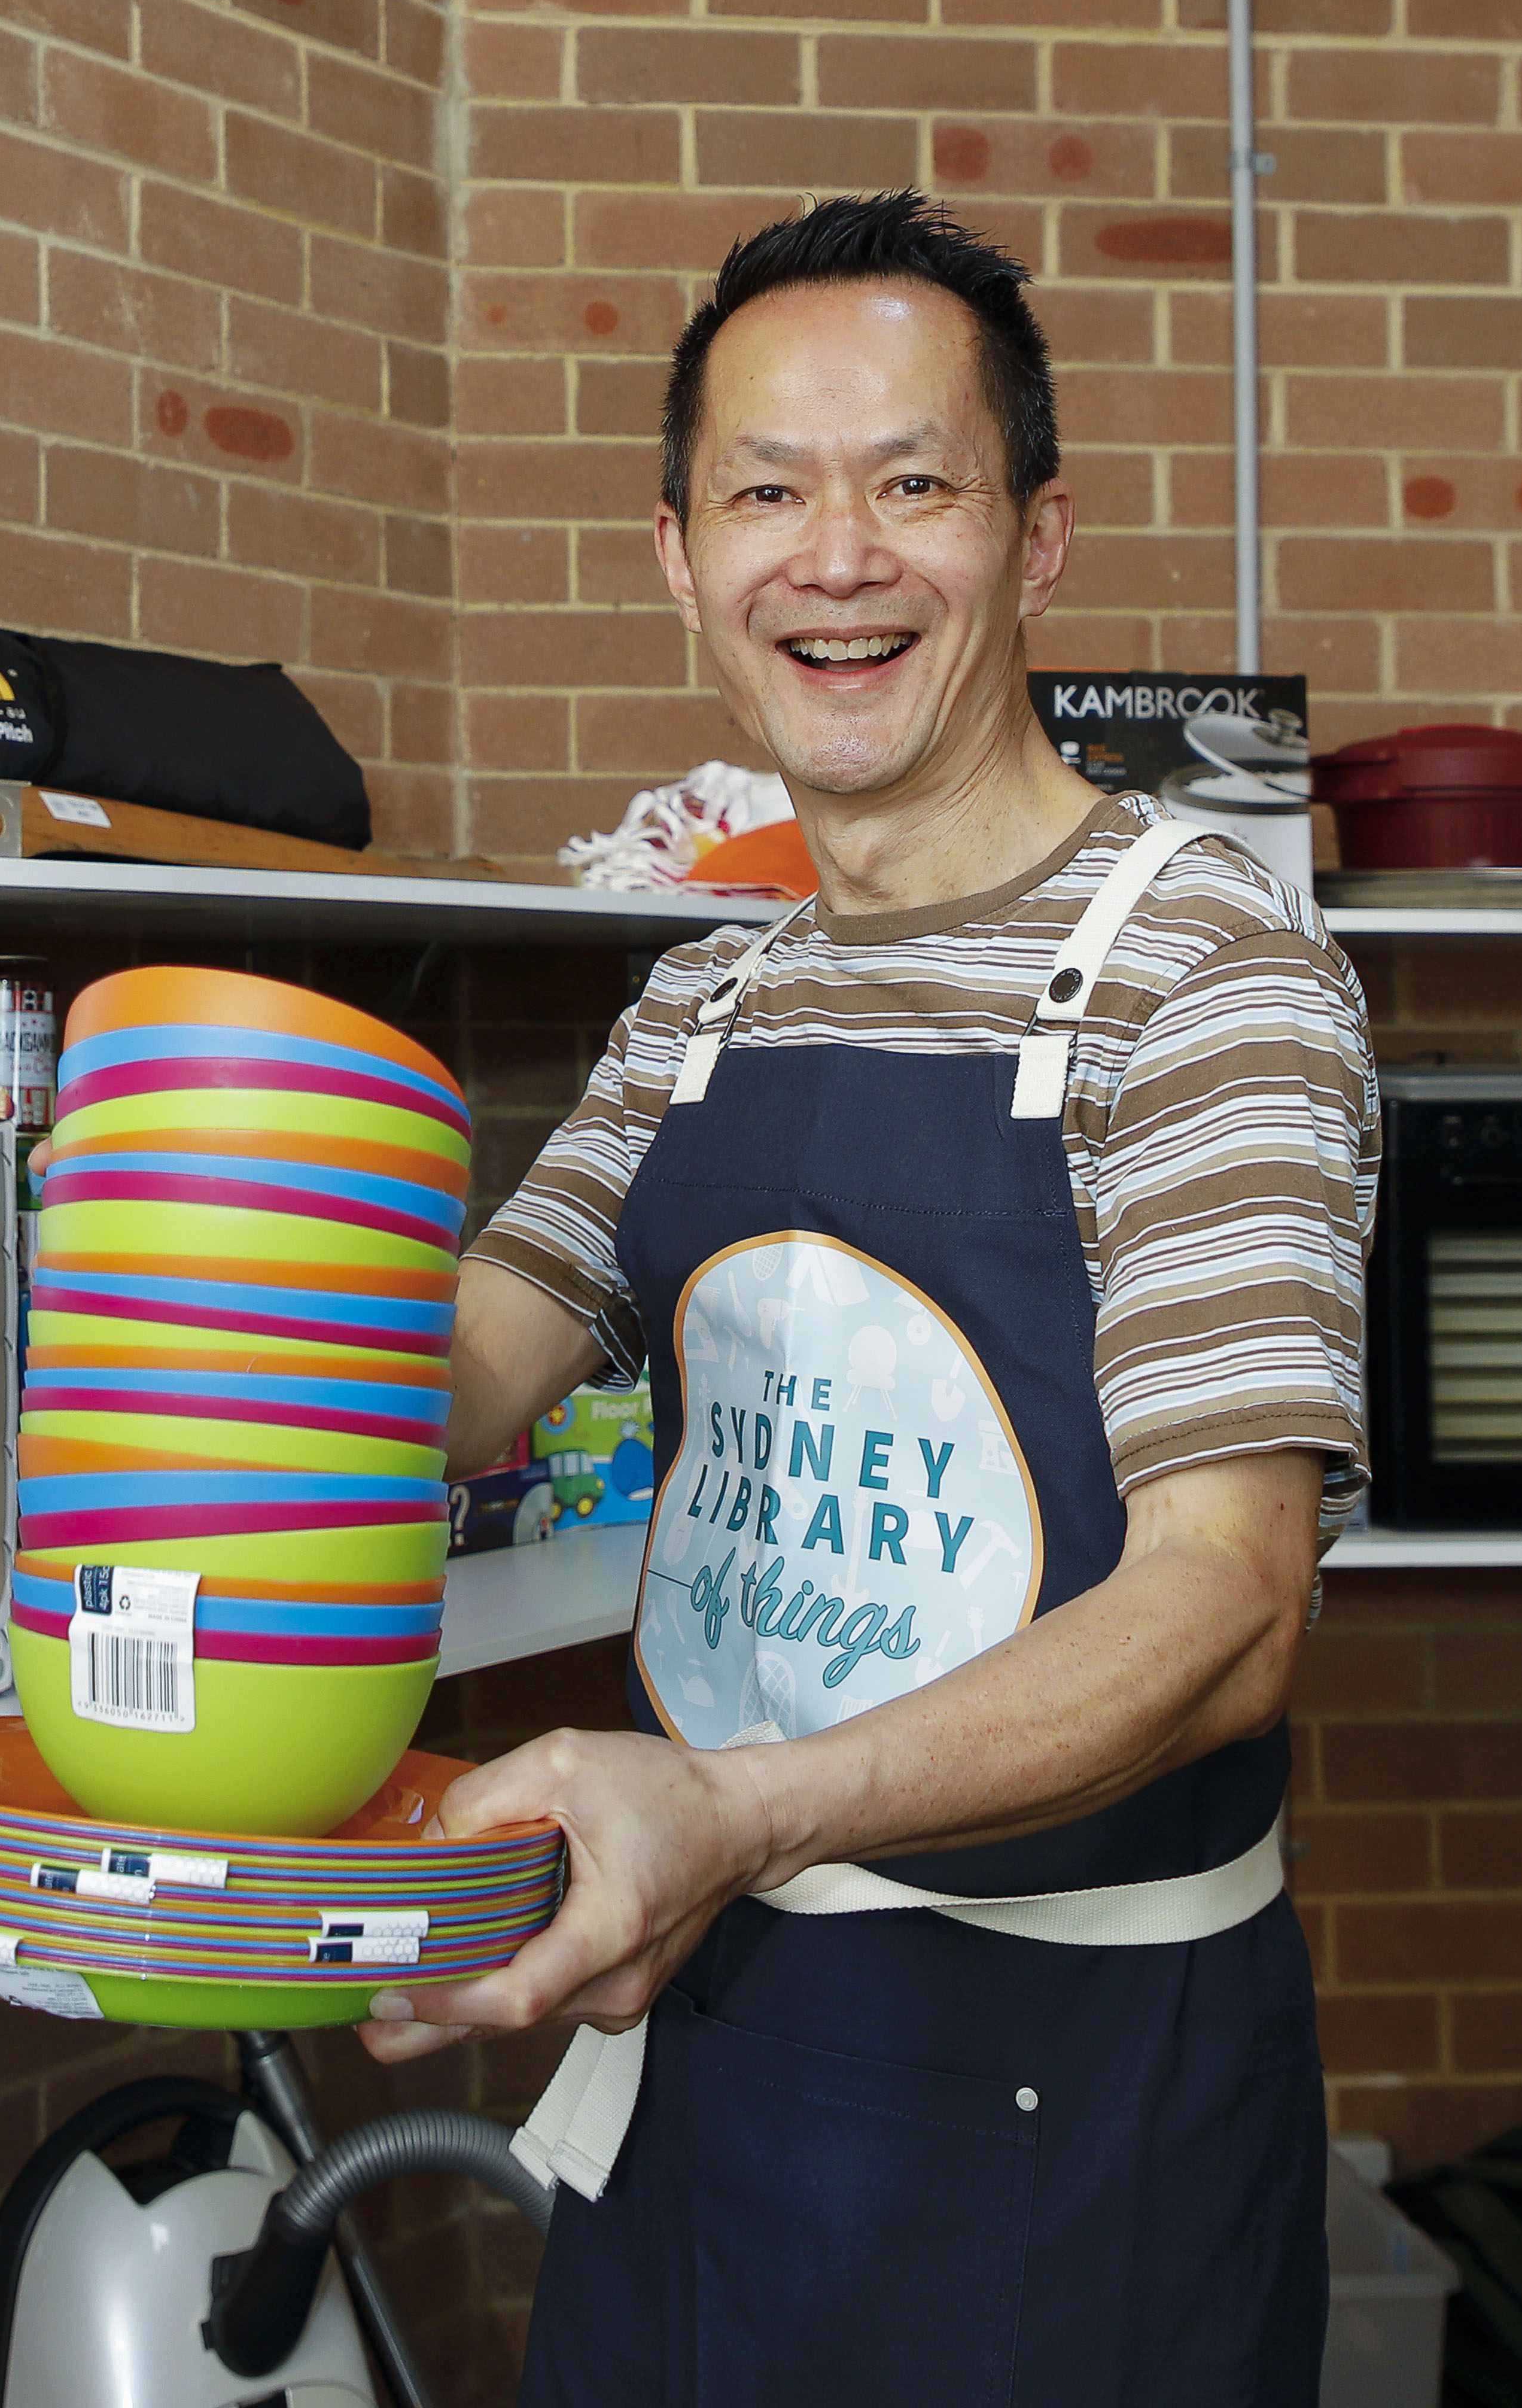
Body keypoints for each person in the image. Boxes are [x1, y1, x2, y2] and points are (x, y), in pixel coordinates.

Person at [379, 193, 1378, 2403]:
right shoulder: (702, 1002)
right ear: (678, 556)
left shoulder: (1206, 978)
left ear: (1034, 542)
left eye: (913, 482)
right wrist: (188, 1275)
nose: (835, 557)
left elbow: (1231, 1610)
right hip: (701, 2017)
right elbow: (457, 1376)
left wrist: (740, 1809)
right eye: (764, 492)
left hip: (1063, 2100)